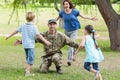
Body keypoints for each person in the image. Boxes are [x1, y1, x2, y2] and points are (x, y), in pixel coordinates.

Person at [14, 19, 79, 74]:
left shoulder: (61, 35)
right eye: (50, 24)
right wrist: (21, 41)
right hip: (46, 55)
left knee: (55, 58)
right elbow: (32, 39)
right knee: (43, 71)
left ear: (56, 25)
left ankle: (58, 68)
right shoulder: (43, 35)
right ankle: (44, 64)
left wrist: (81, 46)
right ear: (48, 25)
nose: (52, 26)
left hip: (56, 53)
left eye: (54, 24)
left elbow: (71, 43)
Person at [6, 12, 51, 76]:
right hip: (30, 46)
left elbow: (16, 31)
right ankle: (27, 72)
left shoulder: (23, 25)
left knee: (28, 58)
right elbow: (39, 35)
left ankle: (27, 69)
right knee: (31, 59)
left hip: (25, 45)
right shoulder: (34, 26)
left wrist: (9, 36)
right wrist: (46, 41)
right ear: (33, 18)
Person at [55, 0, 97, 66]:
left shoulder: (75, 11)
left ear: (69, 5)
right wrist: (51, 22)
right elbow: (56, 18)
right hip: (66, 30)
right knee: (69, 44)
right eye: (64, 4)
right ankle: (74, 53)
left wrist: (91, 18)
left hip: (74, 30)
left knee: (70, 45)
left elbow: (83, 16)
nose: (65, 5)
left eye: (67, 4)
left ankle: (69, 60)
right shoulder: (62, 12)